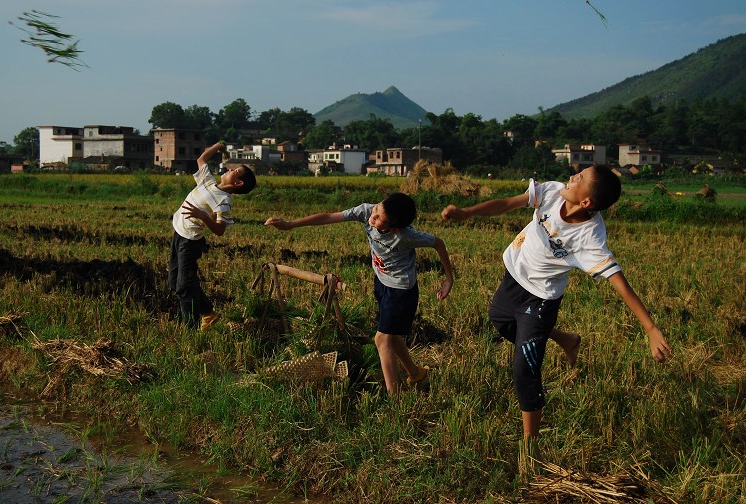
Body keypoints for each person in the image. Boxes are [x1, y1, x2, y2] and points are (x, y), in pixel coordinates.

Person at [441, 165, 672, 443]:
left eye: (581, 178)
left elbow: (620, 283)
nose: (573, 176)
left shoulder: (590, 238)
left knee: (524, 368)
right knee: (500, 320)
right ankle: (566, 340)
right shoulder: (551, 192)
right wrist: (467, 213)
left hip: (541, 298)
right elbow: (506, 204)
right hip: (514, 276)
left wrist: (650, 329)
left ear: (586, 202)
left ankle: (531, 442)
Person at [265, 192, 455, 395]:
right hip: (381, 283)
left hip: (401, 291)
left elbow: (438, 243)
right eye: (376, 209)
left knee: (382, 339)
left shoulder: (406, 236)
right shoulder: (366, 211)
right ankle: (416, 374)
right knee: (393, 338)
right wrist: (290, 224)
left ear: (394, 227)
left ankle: (395, 398)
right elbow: (329, 217)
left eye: (378, 217)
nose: (372, 216)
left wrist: (448, 279)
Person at [169, 142, 256, 331]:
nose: (228, 168)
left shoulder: (224, 202)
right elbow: (201, 159)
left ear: (238, 183)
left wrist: (203, 216)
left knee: (184, 287)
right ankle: (208, 311)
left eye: (234, 170)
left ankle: (190, 329)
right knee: (176, 280)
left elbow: (219, 230)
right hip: (178, 233)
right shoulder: (207, 181)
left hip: (190, 242)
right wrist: (219, 146)